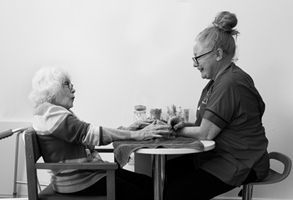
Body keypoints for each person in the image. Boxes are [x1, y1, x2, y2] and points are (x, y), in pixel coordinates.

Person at [164, 11, 269, 200]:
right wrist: (183, 125)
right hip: (218, 156)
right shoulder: (217, 83)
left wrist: (171, 132)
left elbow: (206, 133)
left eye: (198, 58)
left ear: (218, 54)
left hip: (241, 162)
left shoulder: (231, 82)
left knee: (173, 193)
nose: (195, 64)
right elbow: (205, 126)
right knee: (165, 172)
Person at [28, 66, 173, 200]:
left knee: (149, 184)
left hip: (89, 174)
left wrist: (129, 129)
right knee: (147, 193)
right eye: (67, 84)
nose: (73, 89)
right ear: (52, 89)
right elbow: (90, 134)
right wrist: (138, 135)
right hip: (80, 180)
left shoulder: (53, 112)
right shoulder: (48, 112)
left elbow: (87, 137)